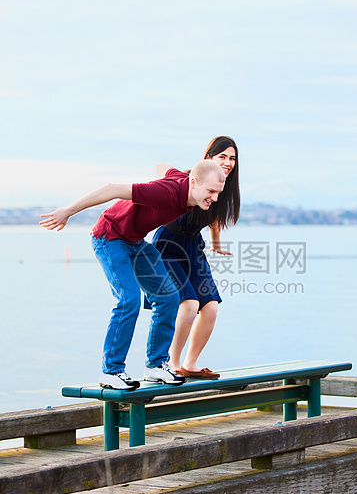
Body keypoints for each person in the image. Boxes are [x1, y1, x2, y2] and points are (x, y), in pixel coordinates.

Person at [39, 160, 225, 390]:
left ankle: (156, 366)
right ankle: (111, 371)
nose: (215, 198)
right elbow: (112, 188)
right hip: (109, 238)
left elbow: (162, 167)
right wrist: (67, 211)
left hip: (135, 243)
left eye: (218, 192)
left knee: (168, 297)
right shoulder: (164, 193)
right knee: (129, 300)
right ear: (194, 182)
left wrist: (163, 167)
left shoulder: (186, 184)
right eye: (211, 191)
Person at [148, 136, 240, 380]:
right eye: (222, 157)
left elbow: (215, 218)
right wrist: (171, 181)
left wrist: (217, 245)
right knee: (188, 305)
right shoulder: (190, 177)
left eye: (232, 158)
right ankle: (172, 364)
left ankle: (191, 363)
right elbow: (160, 166)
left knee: (210, 307)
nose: (228, 162)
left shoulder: (224, 189)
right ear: (208, 157)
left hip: (193, 247)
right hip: (168, 244)